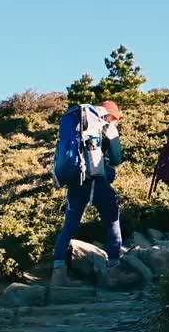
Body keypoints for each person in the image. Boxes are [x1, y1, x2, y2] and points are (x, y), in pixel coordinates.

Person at [51, 100, 124, 286]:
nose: (116, 122)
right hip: (95, 180)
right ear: (110, 115)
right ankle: (114, 270)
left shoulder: (80, 122)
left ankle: (58, 273)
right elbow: (116, 158)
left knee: (70, 224)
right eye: (115, 118)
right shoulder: (104, 125)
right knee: (112, 220)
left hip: (77, 179)